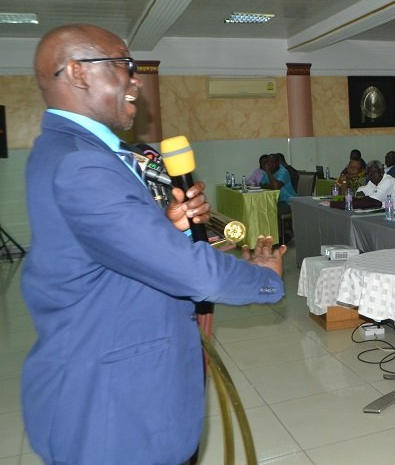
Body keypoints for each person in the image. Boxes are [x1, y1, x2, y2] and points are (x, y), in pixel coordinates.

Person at [22, 24, 287, 464]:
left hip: (116, 386)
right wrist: (263, 279)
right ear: (78, 72)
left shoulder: (63, 150)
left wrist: (171, 228)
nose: (136, 79)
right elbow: (191, 272)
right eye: (124, 65)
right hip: (116, 408)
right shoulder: (82, 164)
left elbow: (108, 254)